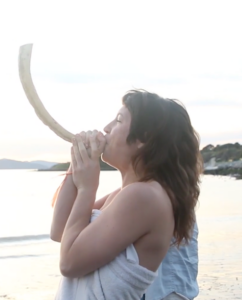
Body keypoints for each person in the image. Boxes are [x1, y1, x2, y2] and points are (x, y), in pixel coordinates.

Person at [50, 90, 202, 300]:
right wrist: (77, 161)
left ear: (144, 138)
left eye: (119, 120)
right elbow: (61, 231)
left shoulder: (145, 197)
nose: (106, 128)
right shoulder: (125, 195)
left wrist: (87, 188)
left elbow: (69, 263)